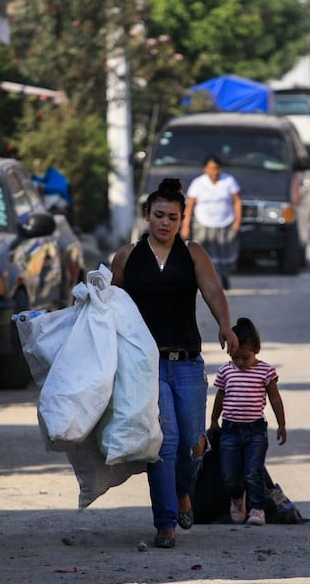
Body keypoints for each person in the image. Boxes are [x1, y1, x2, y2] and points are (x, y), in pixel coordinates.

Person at [111, 178, 238, 550]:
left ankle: (183, 490)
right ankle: (165, 523)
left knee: (192, 443)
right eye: (159, 215)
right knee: (163, 444)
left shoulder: (193, 254)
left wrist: (226, 326)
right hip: (146, 366)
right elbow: (110, 306)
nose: (165, 223)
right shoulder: (128, 257)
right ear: (147, 215)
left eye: (172, 217)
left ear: (183, 220)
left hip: (187, 364)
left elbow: (213, 291)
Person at [209, 317, 286, 527]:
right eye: (235, 358)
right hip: (230, 430)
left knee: (254, 472)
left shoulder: (266, 372)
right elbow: (220, 396)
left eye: (245, 357)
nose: (240, 363)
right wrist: (214, 419)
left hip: (255, 431)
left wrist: (281, 424)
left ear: (256, 350)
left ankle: (257, 509)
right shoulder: (226, 371)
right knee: (230, 476)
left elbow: (275, 398)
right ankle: (237, 498)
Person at [182, 156, 242, 290]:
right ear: (205, 169)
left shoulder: (229, 181)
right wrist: (185, 226)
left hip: (224, 224)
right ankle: (201, 282)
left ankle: (224, 277)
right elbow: (190, 205)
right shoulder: (198, 183)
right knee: (201, 253)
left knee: (224, 252)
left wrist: (237, 221)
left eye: (216, 168)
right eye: (211, 168)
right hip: (203, 224)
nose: (214, 171)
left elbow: (237, 202)